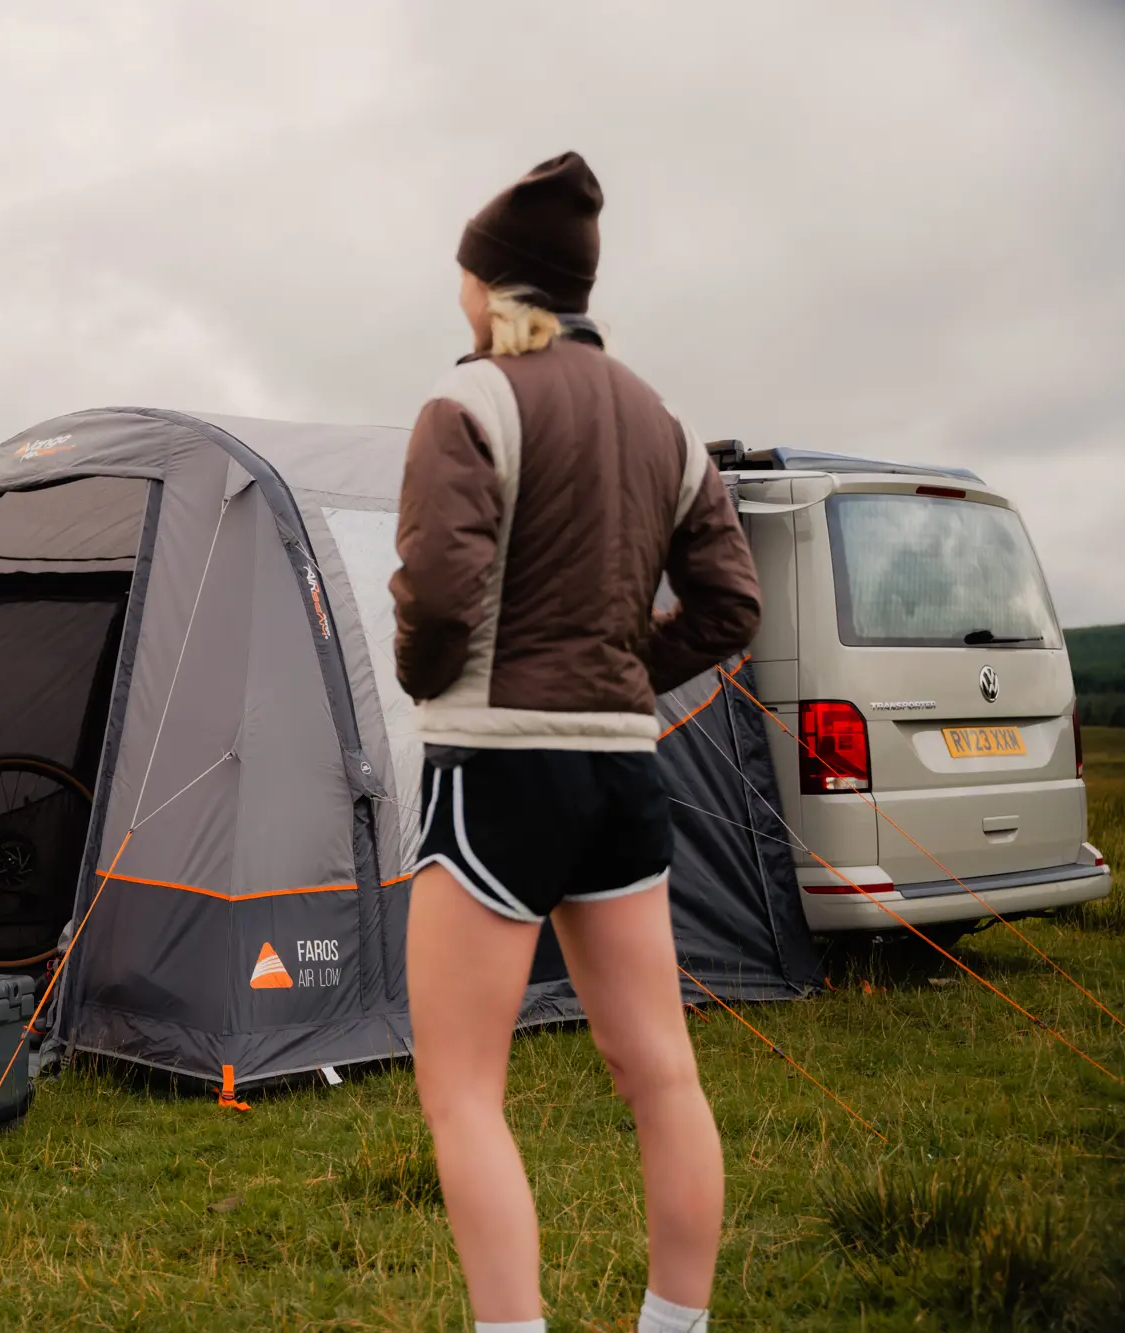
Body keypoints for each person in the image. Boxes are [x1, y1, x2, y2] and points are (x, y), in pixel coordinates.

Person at [392, 154, 761, 1333]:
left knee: (462, 1091)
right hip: (620, 773)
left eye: (463, 273)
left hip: (496, 770)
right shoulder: (663, 424)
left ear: (491, 285)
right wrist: (620, 672)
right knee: (658, 1069)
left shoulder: (470, 402)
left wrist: (424, 678)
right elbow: (729, 607)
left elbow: (437, 598)